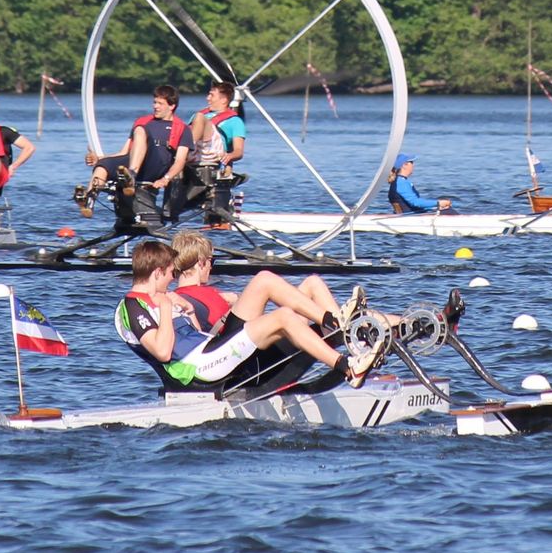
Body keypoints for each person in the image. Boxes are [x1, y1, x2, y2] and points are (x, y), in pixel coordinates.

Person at [114, 240, 374, 392]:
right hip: (199, 368)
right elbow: (161, 352)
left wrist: (188, 311)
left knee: (266, 283)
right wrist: (168, 308)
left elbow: (192, 333)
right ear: (158, 272)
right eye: (171, 273)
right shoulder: (132, 307)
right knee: (282, 317)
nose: (173, 279)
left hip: (211, 348)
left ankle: (337, 324)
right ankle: (348, 367)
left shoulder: (164, 299)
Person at [79, 86, 188, 219]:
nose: (155, 106)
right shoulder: (143, 121)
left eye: (160, 103)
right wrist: (99, 159)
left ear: (172, 106)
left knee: (141, 130)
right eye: (154, 102)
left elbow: (180, 161)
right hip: (135, 161)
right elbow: (124, 152)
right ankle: (89, 201)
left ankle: (131, 175)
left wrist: (166, 179)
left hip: (156, 165)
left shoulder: (183, 129)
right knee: (103, 165)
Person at [184, 82, 248, 224]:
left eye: (211, 95)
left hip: (213, 152)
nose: (207, 98)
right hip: (196, 153)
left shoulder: (234, 121)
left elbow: (238, 151)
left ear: (224, 99)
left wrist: (230, 156)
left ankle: (184, 152)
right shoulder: (198, 115)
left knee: (199, 117)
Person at [386, 154, 453, 214]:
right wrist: (439, 203)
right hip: (410, 217)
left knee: (445, 209)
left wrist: (434, 207)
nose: (413, 165)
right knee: (450, 211)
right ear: (404, 165)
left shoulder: (399, 181)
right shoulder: (401, 183)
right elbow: (415, 203)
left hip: (411, 214)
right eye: (411, 162)